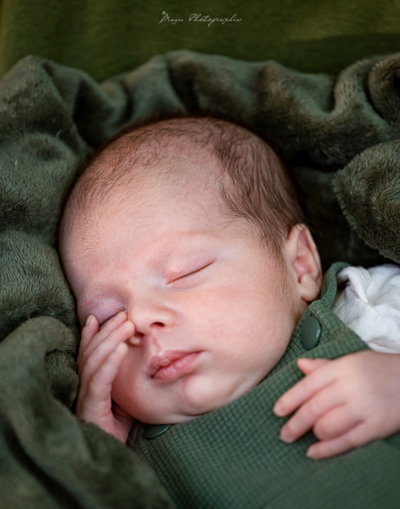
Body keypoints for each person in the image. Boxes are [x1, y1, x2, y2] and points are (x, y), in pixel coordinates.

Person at [58, 115, 400, 460]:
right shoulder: (136, 455)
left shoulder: (369, 309)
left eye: (186, 273)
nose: (141, 318)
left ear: (300, 266)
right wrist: (99, 447)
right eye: (107, 316)